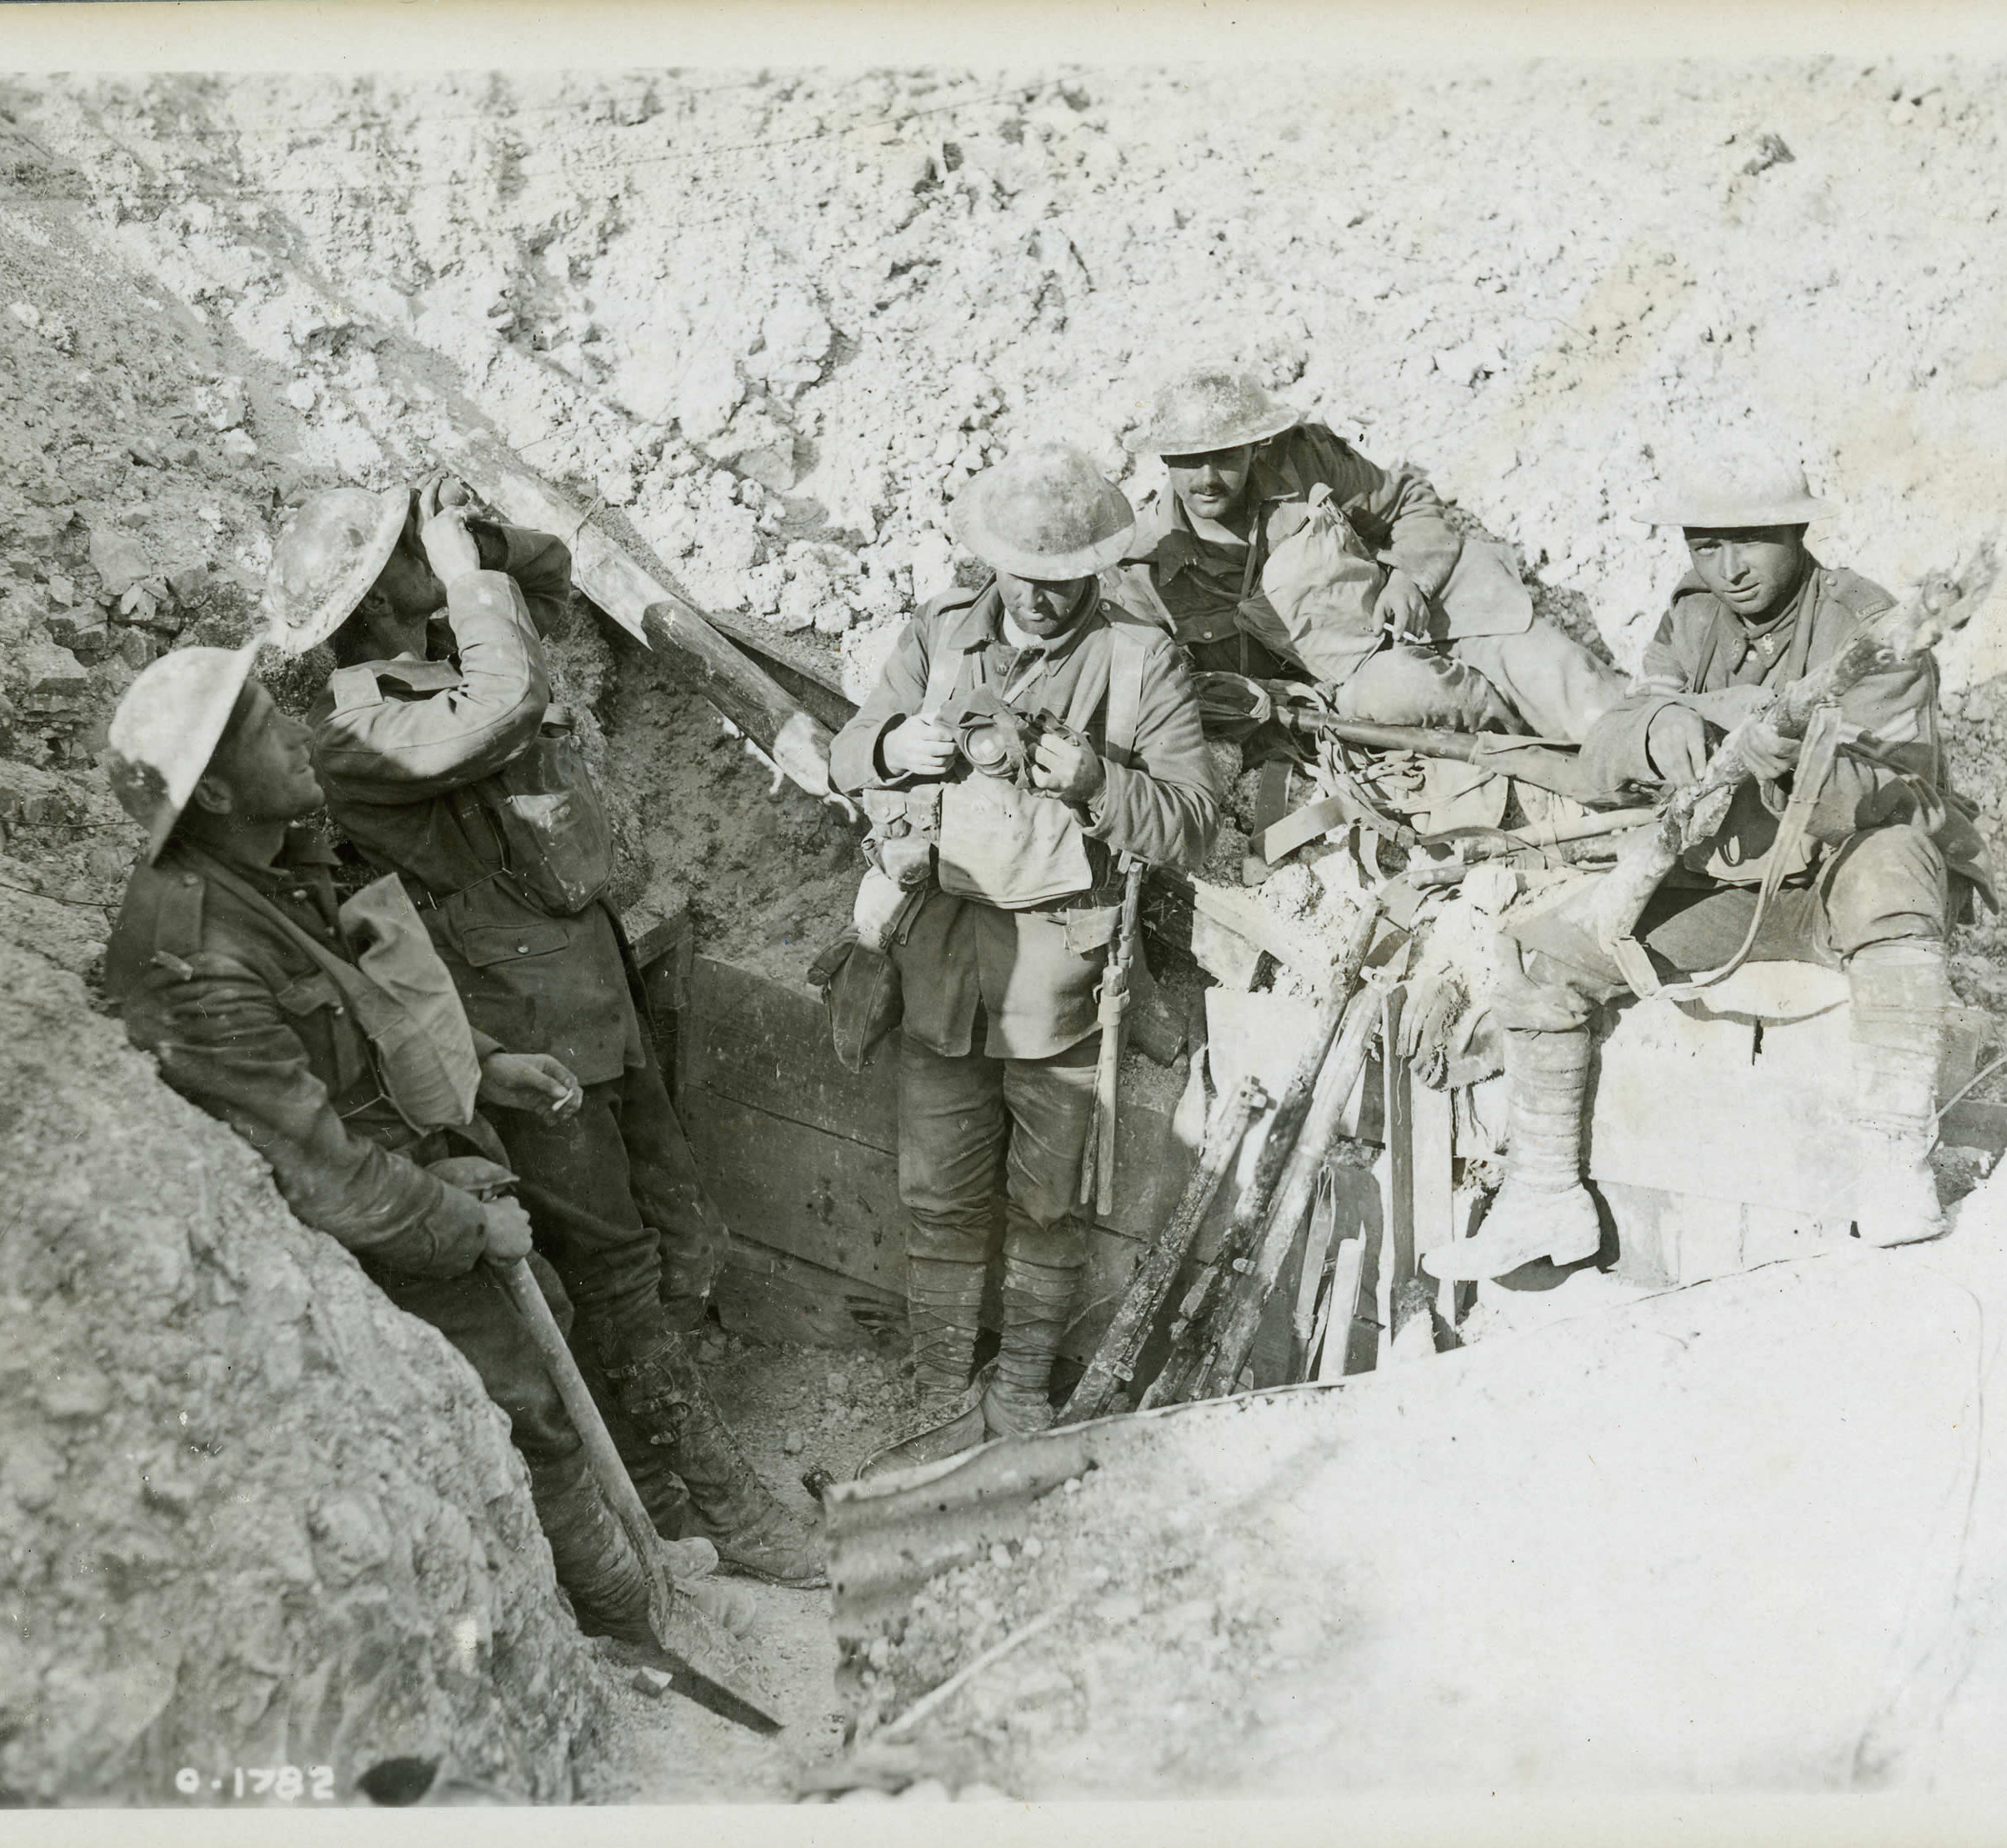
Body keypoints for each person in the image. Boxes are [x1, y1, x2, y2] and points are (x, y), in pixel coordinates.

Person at [259, 477, 818, 1586]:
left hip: (588, 985)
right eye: (406, 554)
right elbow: (507, 705)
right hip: (518, 1024)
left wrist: (481, 545)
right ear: (379, 597)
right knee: (611, 1266)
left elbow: (552, 585)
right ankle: (736, 1516)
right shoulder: (353, 723)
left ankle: (666, 1490)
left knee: (664, 1226)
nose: (441, 560)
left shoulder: (426, 658)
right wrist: (464, 581)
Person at [100, 644, 696, 1645]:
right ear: (208, 798)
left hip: (391, 1174)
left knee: (545, 1309)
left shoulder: (273, 868)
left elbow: (370, 1010)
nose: (296, 736)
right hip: (327, 1246)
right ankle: (620, 1623)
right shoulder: (196, 956)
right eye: (261, 730)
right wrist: (465, 1223)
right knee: (516, 1397)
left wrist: (488, 1063)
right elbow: (322, 1180)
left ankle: (627, 1565)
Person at [1422, 452, 1991, 1282]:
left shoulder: (1875, 633)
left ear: (1797, 532)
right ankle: (1544, 1193)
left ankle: (1893, 1163)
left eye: (1749, 543)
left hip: (1840, 875)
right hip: (1729, 879)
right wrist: (1672, 735)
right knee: (1546, 953)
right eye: (1704, 545)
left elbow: (1893, 793)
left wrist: (1789, 756)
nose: (1726, 570)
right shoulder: (1694, 617)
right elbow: (1614, 735)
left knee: (1900, 864)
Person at [828, 443, 1223, 1452]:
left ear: (1095, 572)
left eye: (1064, 584)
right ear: (990, 564)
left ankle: (1018, 1390)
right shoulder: (940, 633)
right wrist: (889, 749)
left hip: (1060, 972)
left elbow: (1190, 822)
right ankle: (938, 1382)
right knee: (936, 1192)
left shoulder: (1141, 661)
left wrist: (1095, 781)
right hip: (941, 964)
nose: (1042, 602)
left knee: (1047, 1203)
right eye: (1024, 580)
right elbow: (846, 752)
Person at [1107, 367, 1626, 744]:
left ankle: (1655, 754)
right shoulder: (1147, 568)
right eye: (1188, 460)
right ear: (1164, 460)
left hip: (1439, 612)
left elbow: (1409, 503)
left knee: (1571, 683)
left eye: (1223, 457)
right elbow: (1169, 690)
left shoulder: (1302, 461)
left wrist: (1410, 581)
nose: (1206, 478)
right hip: (1356, 683)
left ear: (1253, 448)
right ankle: (1548, 762)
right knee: (1418, 693)